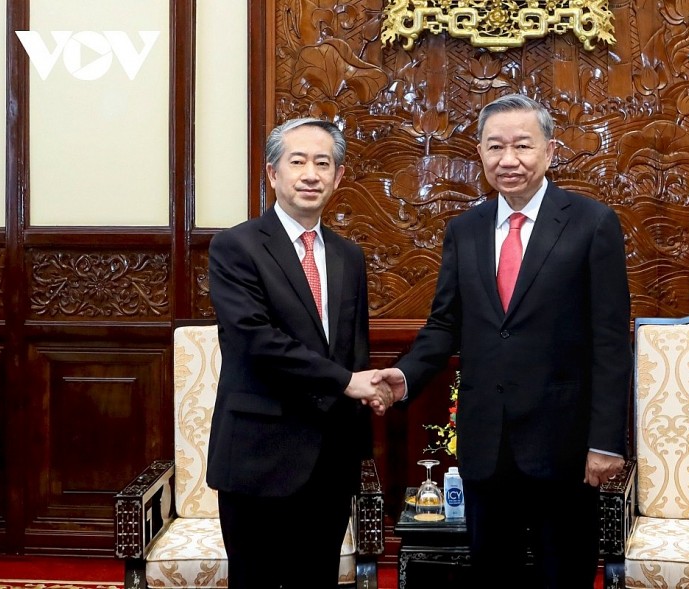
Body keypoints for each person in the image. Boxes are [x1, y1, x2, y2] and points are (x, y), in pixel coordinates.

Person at [374, 94, 632, 588]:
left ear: (550, 151)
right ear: (480, 154)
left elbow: (609, 341)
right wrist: (405, 376)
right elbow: (445, 324)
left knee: (565, 573)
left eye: (522, 146)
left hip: (566, 443)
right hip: (486, 442)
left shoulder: (591, 223)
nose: (507, 160)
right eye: (495, 147)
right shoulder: (464, 230)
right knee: (494, 573)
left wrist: (604, 441)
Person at [206, 118, 393, 589]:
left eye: (323, 163)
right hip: (258, 453)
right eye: (298, 161)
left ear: (339, 177)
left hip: (331, 457)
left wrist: (366, 392)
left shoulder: (348, 255)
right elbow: (256, 340)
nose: (311, 173)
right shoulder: (236, 247)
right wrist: (346, 381)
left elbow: (352, 346)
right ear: (273, 174)